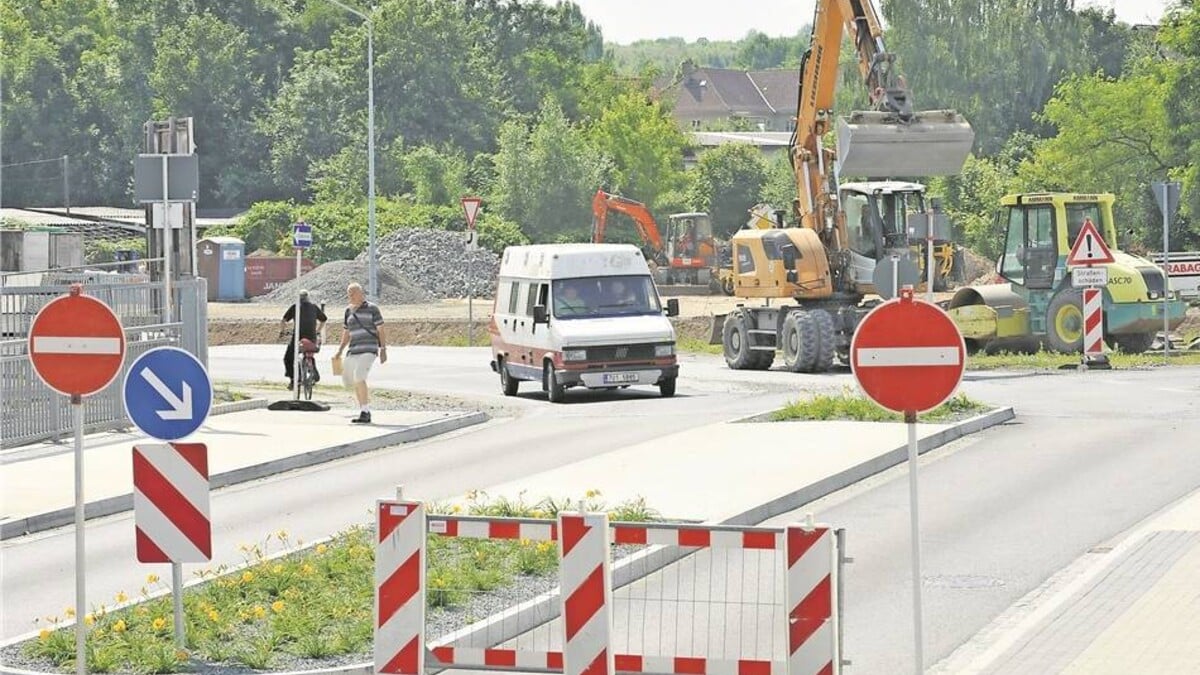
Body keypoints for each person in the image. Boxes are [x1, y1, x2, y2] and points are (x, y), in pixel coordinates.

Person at [334, 282, 387, 424]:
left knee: (359, 376)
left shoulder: (372, 308)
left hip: (369, 348)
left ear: (361, 293)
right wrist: (339, 351)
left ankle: (365, 411)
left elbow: (381, 329)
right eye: (348, 293)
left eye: (352, 293)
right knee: (348, 379)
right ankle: (363, 407)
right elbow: (346, 333)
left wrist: (383, 349)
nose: (349, 296)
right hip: (353, 350)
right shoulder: (348, 311)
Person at [281, 289, 327, 390]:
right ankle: (313, 369)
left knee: (288, 358)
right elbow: (324, 320)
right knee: (309, 352)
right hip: (311, 337)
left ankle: (294, 379)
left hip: (298, 337)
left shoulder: (295, 307)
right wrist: (317, 330)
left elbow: (284, 320)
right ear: (308, 298)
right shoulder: (314, 307)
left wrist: (283, 332)